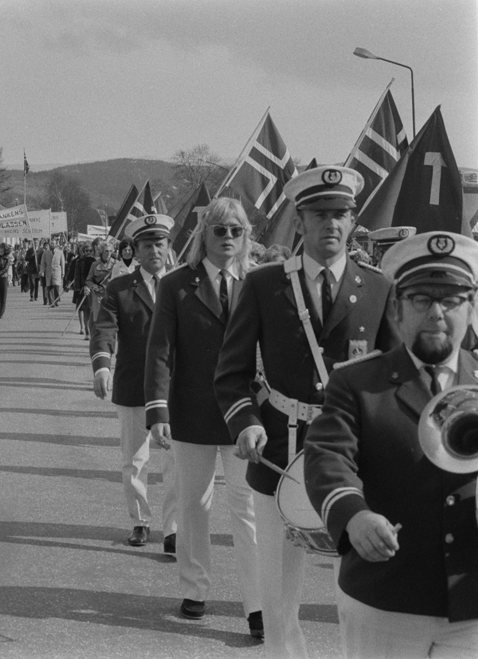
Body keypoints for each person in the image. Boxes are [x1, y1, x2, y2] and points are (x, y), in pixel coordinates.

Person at [214, 165, 398, 658]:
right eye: (319, 214)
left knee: (357, 589)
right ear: (300, 221)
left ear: (354, 221)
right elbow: (230, 373)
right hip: (279, 450)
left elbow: (397, 378)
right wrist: (246, 422)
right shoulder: (264, 284)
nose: (331, 224)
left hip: (354, 459)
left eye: (340, 214)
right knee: (277, 594)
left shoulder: (378, 288)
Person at [304, 231, 478, 658]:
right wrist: (354, 515)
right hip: (387, 597)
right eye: (421, 299)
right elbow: (328, 457)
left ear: (471, 309)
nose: (437, 313)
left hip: (472, 601)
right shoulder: (357, 382)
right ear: (398, 310)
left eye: (452, 300)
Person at [145, 198, 262, 635]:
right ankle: (195, 587)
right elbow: (159, 349)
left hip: (245, 416)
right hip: (191, 410)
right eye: (220, 231)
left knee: (246, 507)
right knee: (194, 502)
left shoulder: (258, 282)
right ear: (204, 235)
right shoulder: (176, 285)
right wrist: (157, 410)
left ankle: (256, 603)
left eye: (236, 231)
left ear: (245, 236)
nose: (228, 238)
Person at [90, 214, 178, 551]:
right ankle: (140, 521)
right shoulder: (120, 288)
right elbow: (104, 330)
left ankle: (173, 529)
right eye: (146, 245)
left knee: (174, 463)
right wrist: (102, 366)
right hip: (133, 385)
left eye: (160, 243)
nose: (154, 250)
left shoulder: (182, 285)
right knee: (134, 460)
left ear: (168, 248)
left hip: (173, 389)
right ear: (135, 251)